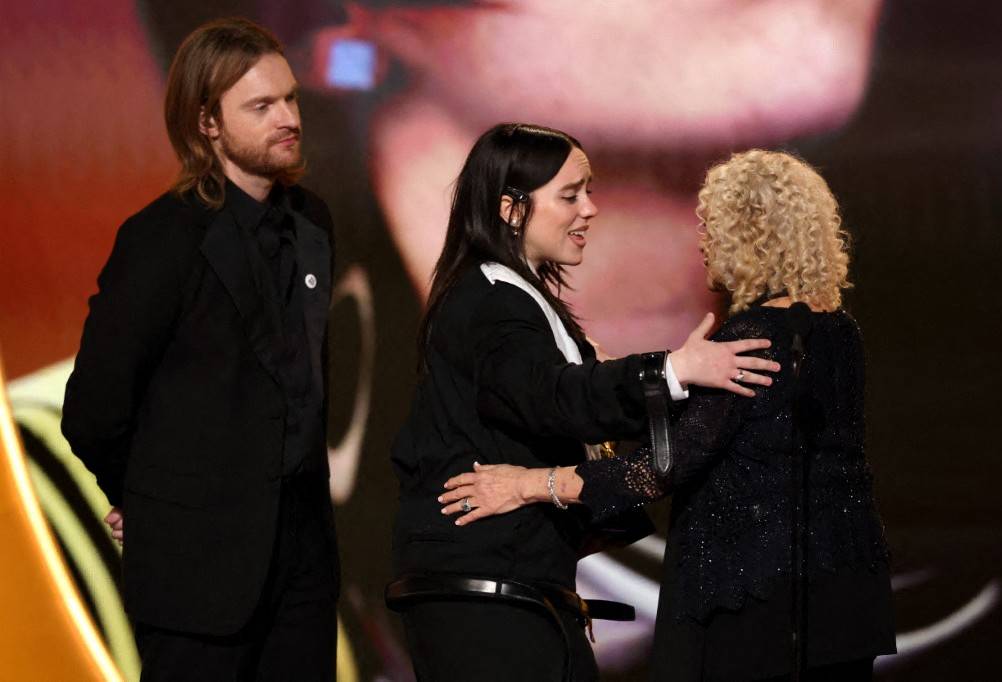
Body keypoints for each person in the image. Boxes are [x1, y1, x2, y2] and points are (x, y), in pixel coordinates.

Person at [440, 150, 896, 681]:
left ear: (750, 234)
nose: (703, 240)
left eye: (714, 225)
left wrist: (530, 485)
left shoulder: (749, 341)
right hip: (842, 600)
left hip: (755, 609)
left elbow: (661, 467)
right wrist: (624, 371)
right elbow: (742, 433)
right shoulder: (839, 333)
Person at [388, 123, 781, 682]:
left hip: (518, 590)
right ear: (512, 209)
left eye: (589, 191)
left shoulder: (516, 296)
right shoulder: (491, 299)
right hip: (485, 596)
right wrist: (672, 369)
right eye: (570, 195)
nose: (591, 209)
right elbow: (555, 398)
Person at [60, 18, 340, 681]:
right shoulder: (160, 241)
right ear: (207, 124)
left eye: (291, 99)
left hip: (302, 560)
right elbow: (94, 407)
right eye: (261, 106)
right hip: (195, 571)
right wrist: (145, 499)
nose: (288, 118)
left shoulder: (314, 224)